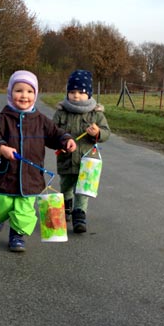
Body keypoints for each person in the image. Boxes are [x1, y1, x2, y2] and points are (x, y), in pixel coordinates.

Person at [0, 70, 77, 252]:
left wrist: (66, 140)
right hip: (5, 174)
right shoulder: (2, 119)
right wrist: (1, 147)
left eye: (29, 91)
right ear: (10, 92)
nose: (24, 95)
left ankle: (17, 235)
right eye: (19, 90)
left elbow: (54, 134)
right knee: (0, 204)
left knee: (25, 209)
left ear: (35, 94)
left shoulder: (41, 120)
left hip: (31, 176)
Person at [53, 69, 111, 233]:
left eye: (80, 92)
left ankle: (80, 214)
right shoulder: (61, 112)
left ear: (89, 94)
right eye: (72, 92)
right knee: (66, 186)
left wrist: (98, 133)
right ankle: (67, 207)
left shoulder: (96, 114)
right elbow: (52, 131)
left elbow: (106, 132)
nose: (76, 96)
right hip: (66, 158)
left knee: (82, 189)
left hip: (87, 161)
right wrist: (60, 141)